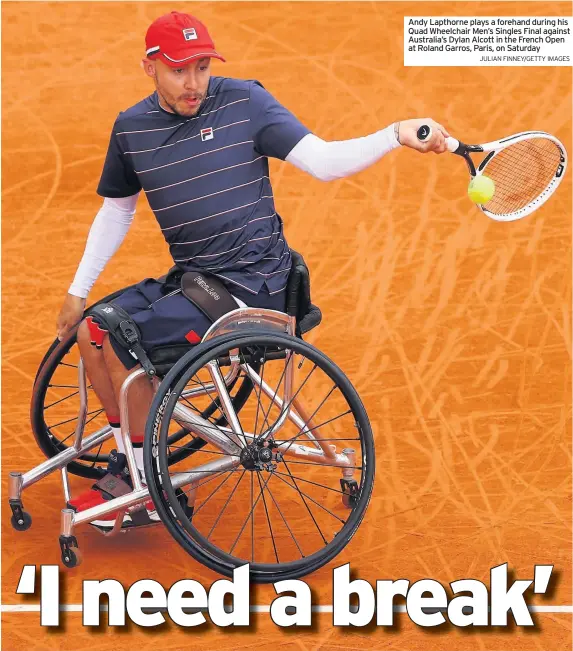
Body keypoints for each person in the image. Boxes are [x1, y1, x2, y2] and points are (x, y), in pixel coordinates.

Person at [55, 11, 449, 527]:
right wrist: (77, 290)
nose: (194, 81)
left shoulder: (246, 102)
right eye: (179, 70)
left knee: (126, 342)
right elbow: (118, 210)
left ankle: (145, 481)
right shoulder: (132, 128)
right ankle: (133, 462)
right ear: (149, 67)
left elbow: (325, 162)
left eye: (201, 66)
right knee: (92, 331)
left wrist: (396, 133)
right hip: (195, 280)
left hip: (255, 284)